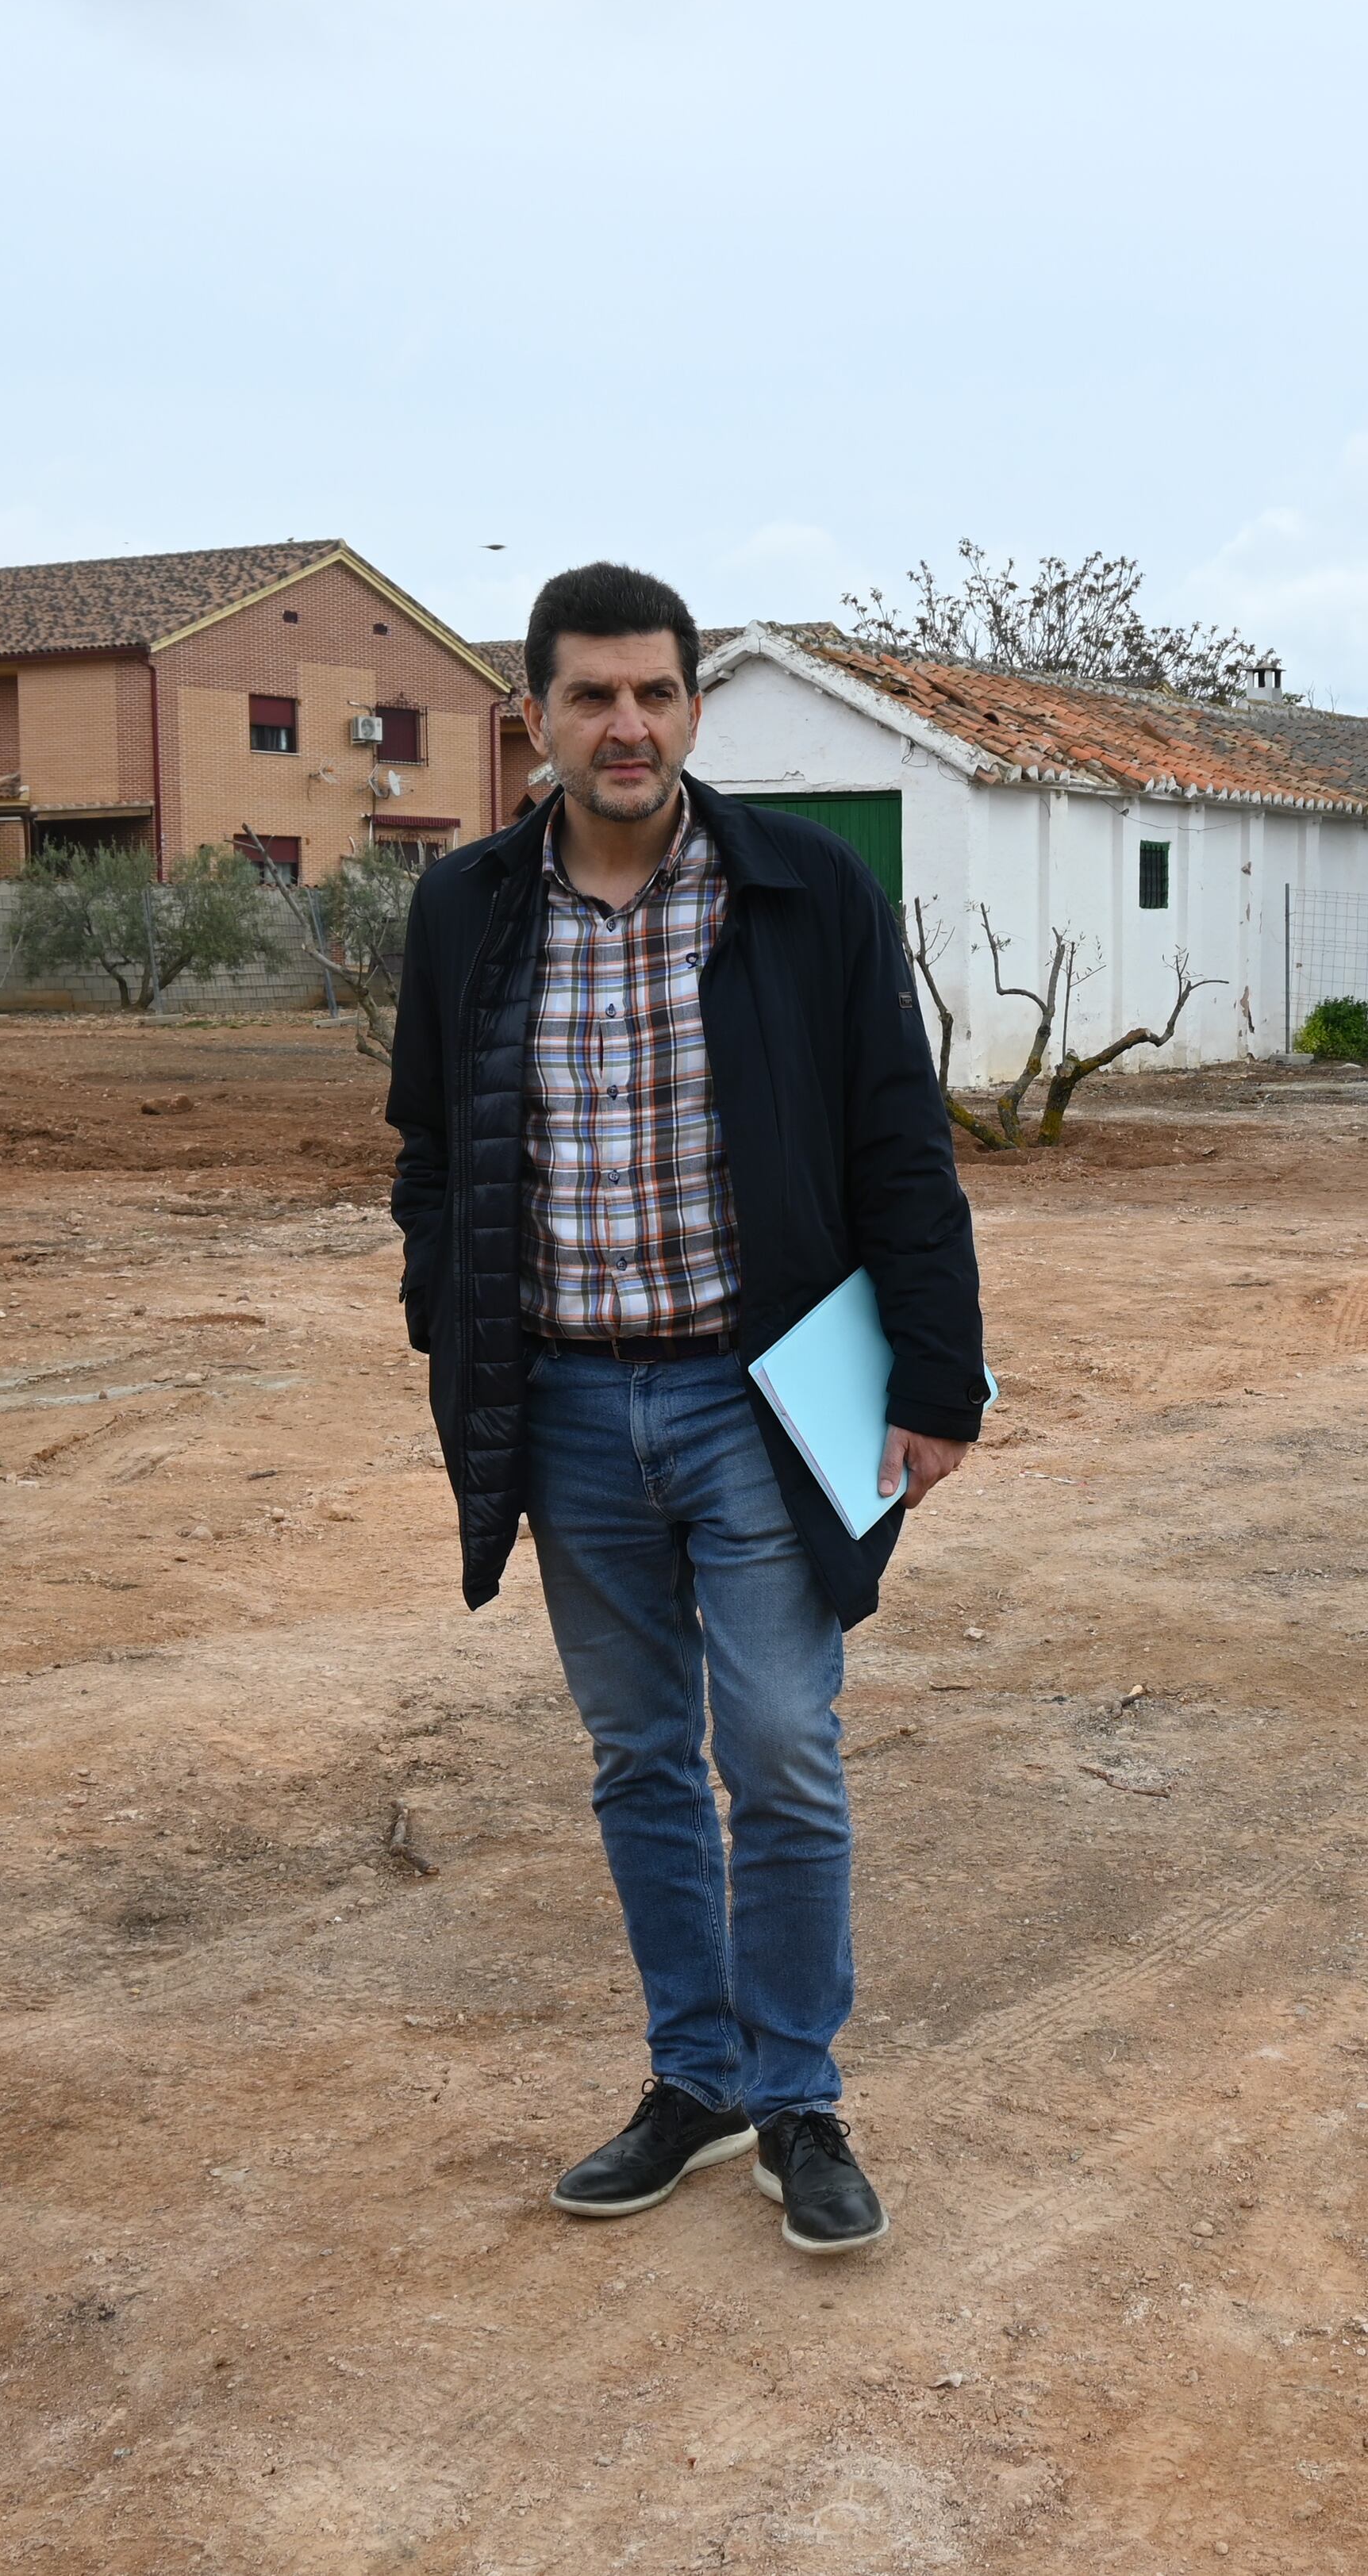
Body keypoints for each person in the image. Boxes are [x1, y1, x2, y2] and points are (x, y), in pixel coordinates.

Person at [388, 562, 985, 2256]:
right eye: (591, 695)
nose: (626, 724)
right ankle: (695, 2078)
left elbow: (896, 1140)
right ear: (537, 718)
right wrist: (447, 1314)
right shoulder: (467, 911)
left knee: (783, 1745)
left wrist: (936, 1378)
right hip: (564, 1400)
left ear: (694, 710)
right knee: (640, 1753)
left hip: (758, 1396)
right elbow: (430, 1147)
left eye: (654, 692)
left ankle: (799, 2093)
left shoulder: (805, 889)